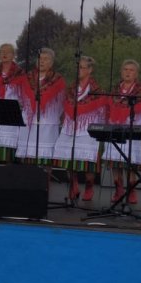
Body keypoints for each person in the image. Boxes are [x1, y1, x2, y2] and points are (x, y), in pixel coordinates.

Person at [53, 55, 107, 201]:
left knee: (88, 160)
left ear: (90, 70)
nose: (79, 70)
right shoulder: (71, 89)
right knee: (68, 156)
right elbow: (65, 107)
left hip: (87, 128)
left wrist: (98, 127)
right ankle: (73, 185)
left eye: (82, 67)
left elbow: (102, 111)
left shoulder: (96, 90)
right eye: (78, 67)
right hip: (70, 126)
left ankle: (89, 187)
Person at [105, 59, 141, 204]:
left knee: (131, 162)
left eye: (131, 70)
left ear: (136, 74)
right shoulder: (114, 90)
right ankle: (118, 189)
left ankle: (131, 191)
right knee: (115, 161)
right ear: (121, 72)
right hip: (116, 128)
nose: (128, 72)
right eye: (125, 69)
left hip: (133, 129)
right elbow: (108, 109)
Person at [16, 47, 65, 164]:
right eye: (40, 58)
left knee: (45, 158)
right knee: (28, 155)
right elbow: (20, 97)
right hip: (29, 121)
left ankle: (45, 176)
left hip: (47, 122)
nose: (42, 61)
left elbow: (61, 103)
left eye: (46, 59)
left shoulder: (57, 79)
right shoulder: (27, 77)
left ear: (51, 63)